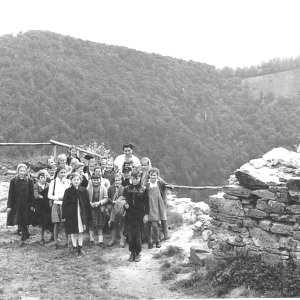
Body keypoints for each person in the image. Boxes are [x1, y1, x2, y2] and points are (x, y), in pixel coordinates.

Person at [62, 172, 91, 255]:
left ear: (80, 181)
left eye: (78, 180)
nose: (76, 181)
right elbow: (64, 204)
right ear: (71, 181)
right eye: (74, 180)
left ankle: (80, 246)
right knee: (73, 230)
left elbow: (87, 203)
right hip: (71, 214)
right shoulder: (68, 191)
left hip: (81, 213)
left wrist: (88, 214)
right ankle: (74, 246)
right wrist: (64, 215)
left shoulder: (84, 190)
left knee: (81, 230)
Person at [123, 170, 149, 262]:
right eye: (133, 178)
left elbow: (147, 203)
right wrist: (125, 205)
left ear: (140, 178)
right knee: (130, 234)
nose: (135, 180)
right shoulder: (126, 188)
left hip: (139, 215)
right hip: (129, 215)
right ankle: (131, 253)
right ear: (131, 178)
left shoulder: (144, 189)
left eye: (137, 178)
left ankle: (138, 253)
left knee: (138, 234)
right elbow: (123, 200)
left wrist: (146, 215)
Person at [6, 164, 35, 245]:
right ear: (18, 171)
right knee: (19, 219)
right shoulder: (13, 180)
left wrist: (32, 204)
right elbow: (10, 193)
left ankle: (24, 235)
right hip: (17, 204)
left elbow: (31, 193)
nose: (22, 172)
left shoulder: (30, 180)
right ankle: (24, 235)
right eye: (21, 171)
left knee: (25, 219)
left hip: (26, 203)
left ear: (26, 171)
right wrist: (9, 205)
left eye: (24, 171)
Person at [145, 168, 170, 249]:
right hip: (149, 205)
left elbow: (166, 184)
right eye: (151, 175)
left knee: (155, 224)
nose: (153, 177)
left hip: (157, 204)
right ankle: (150, 241)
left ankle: (157, 240)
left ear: (157, 176)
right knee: (148, 224)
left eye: (155, 175)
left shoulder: (159, 182)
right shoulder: (146, 184)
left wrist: (170, 187)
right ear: (149, 175)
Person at [48, 165, 70, 249]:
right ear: (57, 173)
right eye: (61, 172)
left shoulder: (67, 182)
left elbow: (69, 192)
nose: (63, 174)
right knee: (56, 223)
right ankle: (56, 242)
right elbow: (49, 195)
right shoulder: (53, 182)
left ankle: (68, 241)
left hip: (65, 205)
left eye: (65, 172)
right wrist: (57, 198)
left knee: (66, 223)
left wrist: (65, 183)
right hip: (57, 203)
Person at [32, 169, 53, 244]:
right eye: (41, 177)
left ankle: (52, 236)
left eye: (44, 177)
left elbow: (51, 193)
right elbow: (35, 195)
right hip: (40, 206)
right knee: (42, 222)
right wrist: (40, 196)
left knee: (50, 220)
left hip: (47, 205)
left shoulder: (48, 185)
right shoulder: (36, 185)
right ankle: (42, 237)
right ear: (38, 178)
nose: (43, 179)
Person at [87, 173, 108, 246]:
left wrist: (99, 203)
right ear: (91, 180)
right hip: (91, 208)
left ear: (100, 180)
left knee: (100, 224)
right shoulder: (88, 188)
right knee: (91, 224)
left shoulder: (103, 188)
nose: (96, 181)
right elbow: (86, 198)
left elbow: (106, 198)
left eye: (97, 180)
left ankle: (100, 241)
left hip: (100, 208)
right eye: (94, 180)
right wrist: (90, 203)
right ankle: (91, 239)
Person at [107, 173, 126, 247]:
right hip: (113, 208)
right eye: (116, 180)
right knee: (113, 223)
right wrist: (113, 201)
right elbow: (108, 198)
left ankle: (122, 239)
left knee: (122, 223)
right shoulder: (111, 188)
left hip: (121, 209)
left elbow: (126, 198)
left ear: (121, 180)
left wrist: (121, 203)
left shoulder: (124, 189)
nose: (117, 182)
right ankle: (113, 239)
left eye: (119, 180)